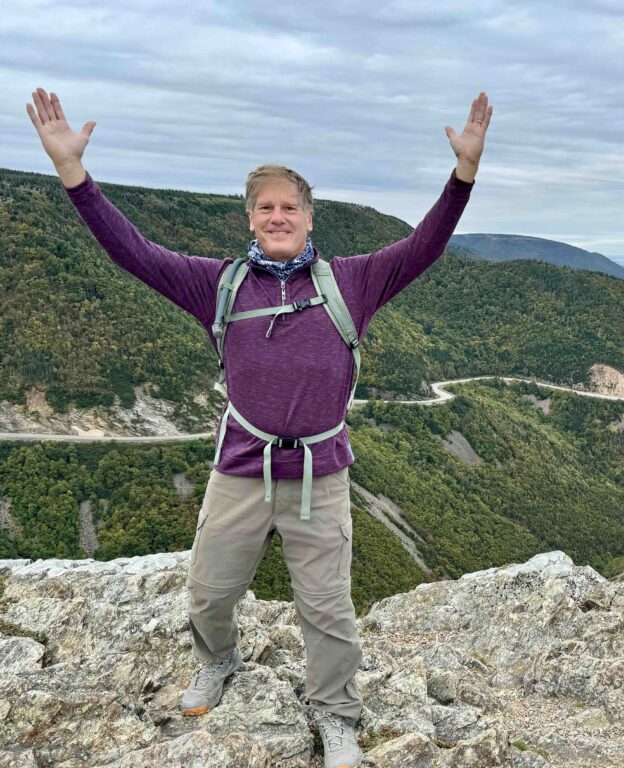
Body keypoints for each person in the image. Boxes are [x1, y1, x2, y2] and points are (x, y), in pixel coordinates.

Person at [26, 86, 491, 768]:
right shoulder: (216, 283)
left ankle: (335, 715)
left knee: (328, 611)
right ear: (251, 218)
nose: (278, 216)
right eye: (266, 207)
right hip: (240, 469)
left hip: (320, 476)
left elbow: (425, 246)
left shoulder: (351, 283)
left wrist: (464, 175)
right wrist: (74, 174)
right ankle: (218, 663)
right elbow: (133, 252)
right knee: (210, 591)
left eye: (289, 207)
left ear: (309, 218)